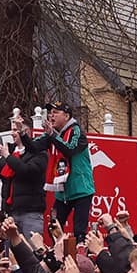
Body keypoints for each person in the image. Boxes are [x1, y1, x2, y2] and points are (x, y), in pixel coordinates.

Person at [0, 117, 50, 239]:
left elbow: (25, 171)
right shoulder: (11, 153)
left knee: (32, 248)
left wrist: (7, 156)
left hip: (31, 212)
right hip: (11, 214)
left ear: (26, 131)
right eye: (12, 130)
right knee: (13, 249)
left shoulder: (39, 153)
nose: (12, 133)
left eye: (15, 130)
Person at [39, 99, 95, 240]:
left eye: (56, 112)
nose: (51, 115)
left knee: (79, 231)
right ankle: (60, 251)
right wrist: (22, 134)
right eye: (50, 113)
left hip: (81, 189)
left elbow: (70, 149)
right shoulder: (53, 134)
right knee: (53, 227)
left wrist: (53, 135)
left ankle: (79, 251)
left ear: (66, 116)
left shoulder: (76, 130)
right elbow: (34, 146)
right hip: (63, 192)